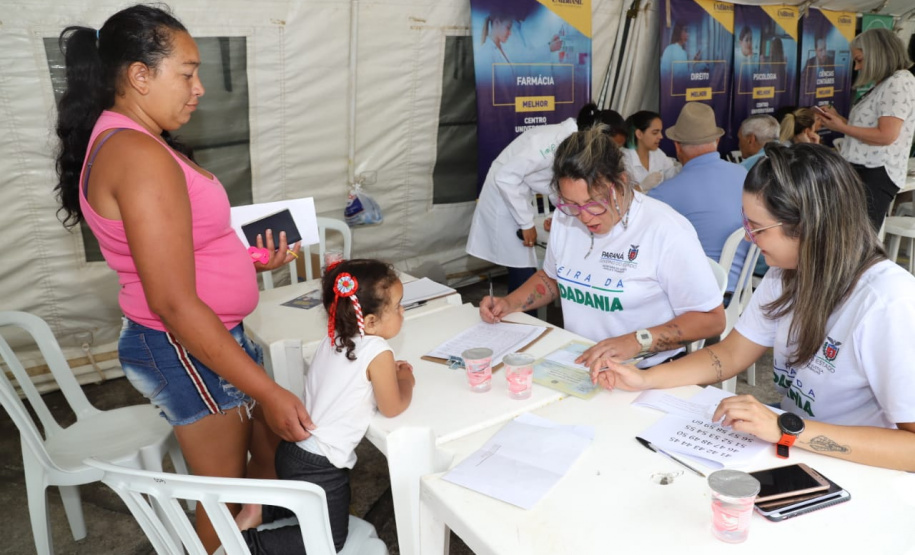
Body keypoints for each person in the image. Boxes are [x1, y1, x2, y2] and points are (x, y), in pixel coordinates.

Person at [53, 6, 312, 551]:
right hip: (183, 344)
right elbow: (171, 301)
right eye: (187, 73)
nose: (198, 89)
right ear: (139, 75)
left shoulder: (139, 139)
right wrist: (268, 390)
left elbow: (175, 248)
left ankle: (253, 532)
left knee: (265, 448)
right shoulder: (138, 154)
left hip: (206, 337)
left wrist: (246, 261)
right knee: (217, 499)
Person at [594, 143, 915, 472]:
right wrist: (645, 379)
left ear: (808, 226)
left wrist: (786, 430)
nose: (748, 238)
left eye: (757, 228)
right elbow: (731, 354)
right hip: (793, 439)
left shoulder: (889, 303)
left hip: (859, 467)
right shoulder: (787, 274)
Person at [480, 125, 725, 370]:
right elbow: (553, 278)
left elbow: (712, 320)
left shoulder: (665, 230)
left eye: (594, 203)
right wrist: (509, 303)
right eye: (571, 204)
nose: (584, 217)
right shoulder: (565, 219)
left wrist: (637, 341)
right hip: (580, 362)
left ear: (621, 182)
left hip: (646, 370)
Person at [238, 259, 415, 553]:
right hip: (321, 467)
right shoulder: (379, 351)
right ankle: (247, 546)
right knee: (330, 541)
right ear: (369, 322)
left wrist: (387, 373)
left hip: (293, 451)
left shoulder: (335, 336)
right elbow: (393, 407)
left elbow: (350, 378)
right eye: (397, 306)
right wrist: (406, 379)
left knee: (313, 508)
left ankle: (262, 511)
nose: (403, 311)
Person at [466, 103, 624, 294]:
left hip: (517, 197)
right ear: (598, 134)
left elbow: (555, 185)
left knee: (526, 271)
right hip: (503, 202)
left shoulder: (574, 144)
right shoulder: (554, 141)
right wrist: (526, 224)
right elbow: (506, 177)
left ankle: (521, 314)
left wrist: (562, 215)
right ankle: (521, 318)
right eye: (611, 146)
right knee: (523, 274)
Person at [817, 28, 915, 230]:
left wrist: (842, 126)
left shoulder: (898, 82)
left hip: (874, 173)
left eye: (860, 60)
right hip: (863, 171)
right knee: (847, 236)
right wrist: (839, 121)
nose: (857, 67)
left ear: (877, 56)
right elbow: (871, 128)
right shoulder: (886, 83)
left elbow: (886, 135)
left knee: (858, 240)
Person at [649, 102, 749, 295]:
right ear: (717, 142)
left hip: (696, 299)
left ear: (677, 146)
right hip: (743, 293)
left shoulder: (663, 194)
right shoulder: (743, 174)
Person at [621, 110, 679, 192]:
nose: (661, 136)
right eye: (655, 133)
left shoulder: (657, 153)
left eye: (660, 132)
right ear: (639, 134)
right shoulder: (623, 159)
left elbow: (671, 173)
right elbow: (619, 195)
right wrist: (641, 187)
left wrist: (687, 163)